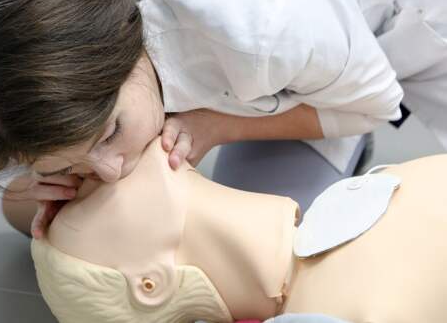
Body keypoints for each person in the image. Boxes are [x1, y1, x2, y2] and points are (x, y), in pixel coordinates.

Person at [0, 0, 447, 238]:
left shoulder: (255, 18)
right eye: (70, 163)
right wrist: (51, 193)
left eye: (110, 134)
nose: (110, 171)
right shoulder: (43, 32)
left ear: (123, 53)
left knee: (271, 254)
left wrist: (220, 126)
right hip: (310, 50)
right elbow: (16, 202)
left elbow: (376, 102)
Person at [32, 135, 447, 322]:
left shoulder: (337, 218)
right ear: (150, 284)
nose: (99, 172)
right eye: (84, 199)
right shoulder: (325, 313)